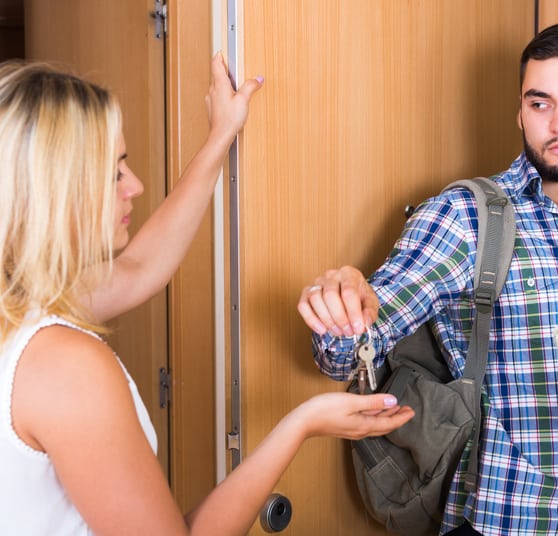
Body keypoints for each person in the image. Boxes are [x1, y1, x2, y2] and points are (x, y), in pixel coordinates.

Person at [297, 22, 558, 536]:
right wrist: (340, 309)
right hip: (494, 522)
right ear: (520, 111)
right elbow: (344, 355)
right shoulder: (467, 217)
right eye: (541, 103)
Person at [0, 56, 414, 534]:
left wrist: (222, 133)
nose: (134, 185)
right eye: (114, 173)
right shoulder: (66, 366)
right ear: (52, 193)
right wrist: (302, 424)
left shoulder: (23, 304)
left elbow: (140, 268)